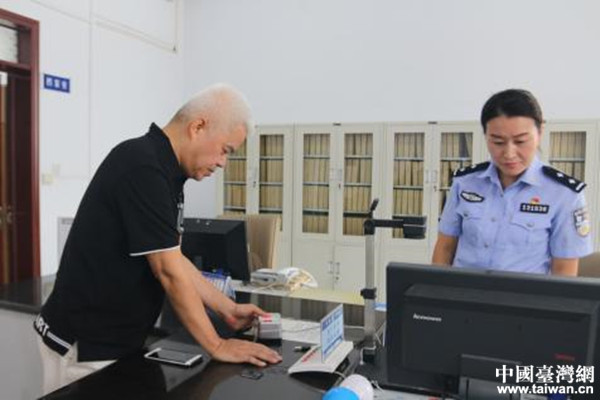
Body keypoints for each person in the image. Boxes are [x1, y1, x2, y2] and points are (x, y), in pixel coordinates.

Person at [33, 83, 282, 395]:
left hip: (116, 341)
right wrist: (216, 345)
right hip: (85, 343)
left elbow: (174, 258)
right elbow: (167, 271)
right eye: (225, 150)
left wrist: (227, 310)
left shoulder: (166, 172)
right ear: (198, 127)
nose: (223, 162)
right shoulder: (142, 166)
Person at [432, 89, 592, 275]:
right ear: (486, 135)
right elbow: (445, 248)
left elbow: (564, 270)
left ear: (540, 132)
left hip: (524, 293)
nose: (509, 154)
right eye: (498, 142)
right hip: (462, 291)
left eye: (520, 141)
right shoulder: (465, 182)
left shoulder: (564, 194)